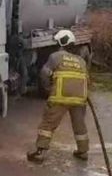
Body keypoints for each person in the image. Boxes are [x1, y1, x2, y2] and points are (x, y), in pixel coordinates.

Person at [27, 30, 90, 164]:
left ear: (61, 42)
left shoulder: (55, 56)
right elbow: (86, 80)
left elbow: (44, 74)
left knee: (48, 124)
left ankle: (40, 153)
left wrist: (48, 89)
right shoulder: (81, 61)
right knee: (80, 125)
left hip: (60, 97)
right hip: (80, 98)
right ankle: (83, 151)